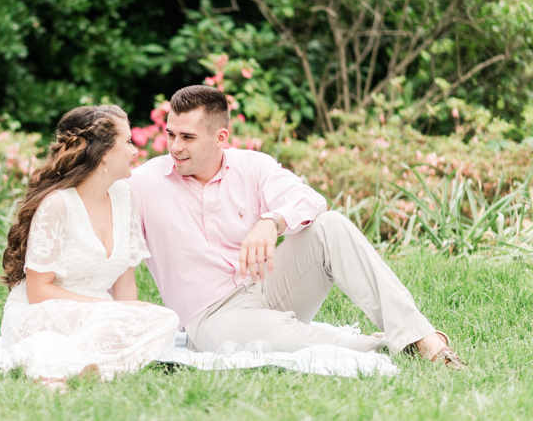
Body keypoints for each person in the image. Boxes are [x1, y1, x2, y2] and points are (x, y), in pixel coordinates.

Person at [128, 85, 464, 369]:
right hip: (213, 316)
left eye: (187, 137)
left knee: (329, 226)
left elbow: (311, 200)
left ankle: (423, 339)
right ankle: (390, 345)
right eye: (170, 134)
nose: (175, 146)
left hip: (268, 286)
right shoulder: (144, 183)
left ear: (220, 137)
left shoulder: (253, 166)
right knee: (294, 342)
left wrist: (272, 222)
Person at [0, 105, 179, 382]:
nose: (134, 151)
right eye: (128, 142)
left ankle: (85, 366)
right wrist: (110, 310)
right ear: (104, 153)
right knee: (112, 321)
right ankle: (70, 367)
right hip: (45, 311)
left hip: (99, 313)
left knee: (166, 319)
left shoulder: (125, 198)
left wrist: (126, 317)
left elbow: (125, 283)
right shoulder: (58, 204)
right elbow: (38, 291)